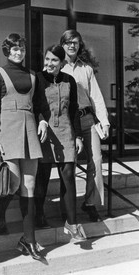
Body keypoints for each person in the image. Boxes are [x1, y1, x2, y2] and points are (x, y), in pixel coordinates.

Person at [0, 33, 47, 261]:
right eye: (14, 48)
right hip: (7, 131)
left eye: (21, 47)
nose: (18, 51)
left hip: (30, 129)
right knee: (12, 182)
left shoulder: (33, 75)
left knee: (29, 185)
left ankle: (29, 239)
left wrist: (42, 119)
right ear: (7, 50)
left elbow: (40, 104)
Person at [34, 45, 86, 242]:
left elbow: (74, 109)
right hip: (44, 132)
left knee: (68, 176)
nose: (49, 64)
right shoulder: (38, 79)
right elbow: (35, 106)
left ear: (62, 63)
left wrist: (79, 136)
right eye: (47, 59)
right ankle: (39, 214)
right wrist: (40, 120)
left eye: (54, 60)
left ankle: (72, 223)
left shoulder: (69, 80)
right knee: (42, 177)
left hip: (65, 132)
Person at [60, 30, 110, 222]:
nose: (72, 46)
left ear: (80, 45)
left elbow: (96, 97)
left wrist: (104, 121)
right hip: (67, 122)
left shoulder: (86, 69)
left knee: (96, 160)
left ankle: (90, 203)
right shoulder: (57, 67)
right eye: (68, 42)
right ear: (62, 44)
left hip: (87, 119)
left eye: (76, 42)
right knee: (68, 164)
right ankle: (67, 206)